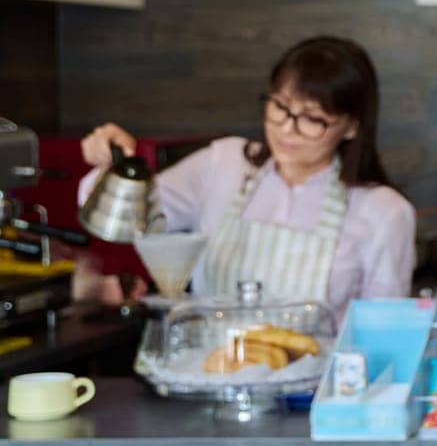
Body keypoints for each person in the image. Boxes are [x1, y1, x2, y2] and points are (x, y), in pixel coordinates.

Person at [79, 36, 414, 311]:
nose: (287, 129)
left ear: (352, 126)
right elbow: (130, 219)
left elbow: (384, 338)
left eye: (312, 118)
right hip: (210, 376)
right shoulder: (223, 164)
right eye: (280, 107)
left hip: (317, 391)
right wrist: (114, 164)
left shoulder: (384, 212)